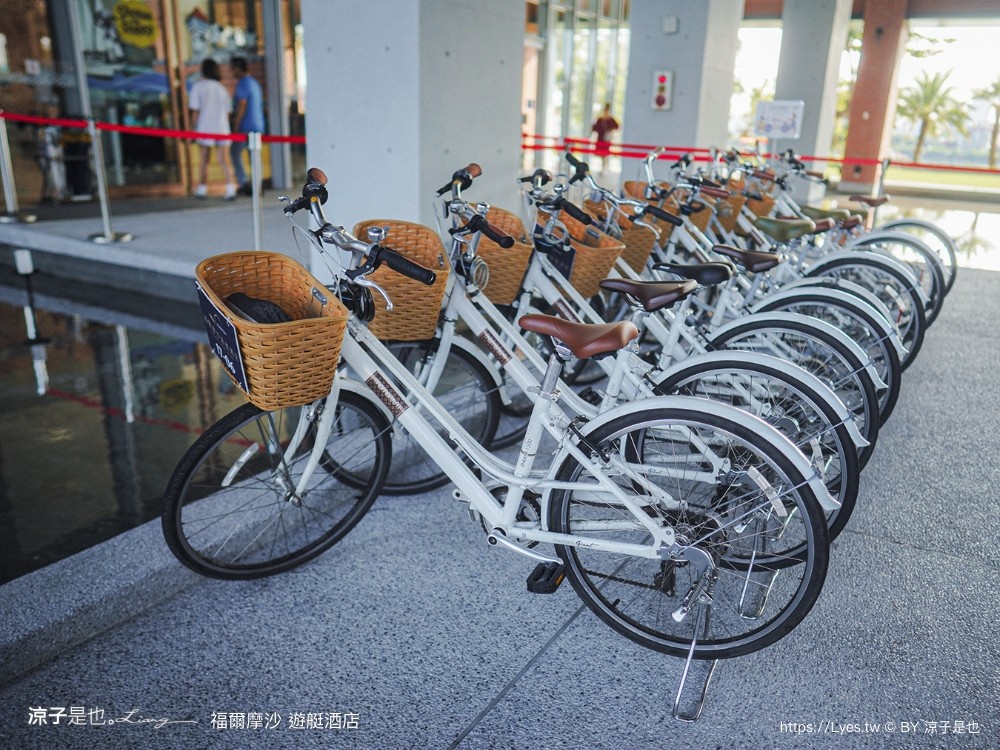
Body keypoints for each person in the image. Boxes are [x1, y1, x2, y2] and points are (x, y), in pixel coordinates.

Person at [188, 58, 236, 200]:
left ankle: (202, 189)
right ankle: (231, 188)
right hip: (222, 127)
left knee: (204, 160)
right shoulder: (222, 88)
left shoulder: (198, 87)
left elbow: (195, 111)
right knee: (224, 159)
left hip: (205, 127)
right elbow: (228, 111)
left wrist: (193, 130)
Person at [229, 56, 264, 196]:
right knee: (254, 156)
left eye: (232, 69)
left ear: (238, 68)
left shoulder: (243, 83)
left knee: (235, 152)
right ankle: (257, 185)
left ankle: (244, 182)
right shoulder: (254, 83)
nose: (231, 72)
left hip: (246, 126)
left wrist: (236, 125)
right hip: (257, 124)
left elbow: (242, 105)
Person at [591, 103, 619, 171]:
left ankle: (604, 168)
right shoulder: (600, 119)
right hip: (600, 140)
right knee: (601, 155)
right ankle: (602, 168)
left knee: (605, 155)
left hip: (606, 141)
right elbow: (594, 128)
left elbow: (617, 127)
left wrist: (611, 131)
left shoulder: (611, 120)